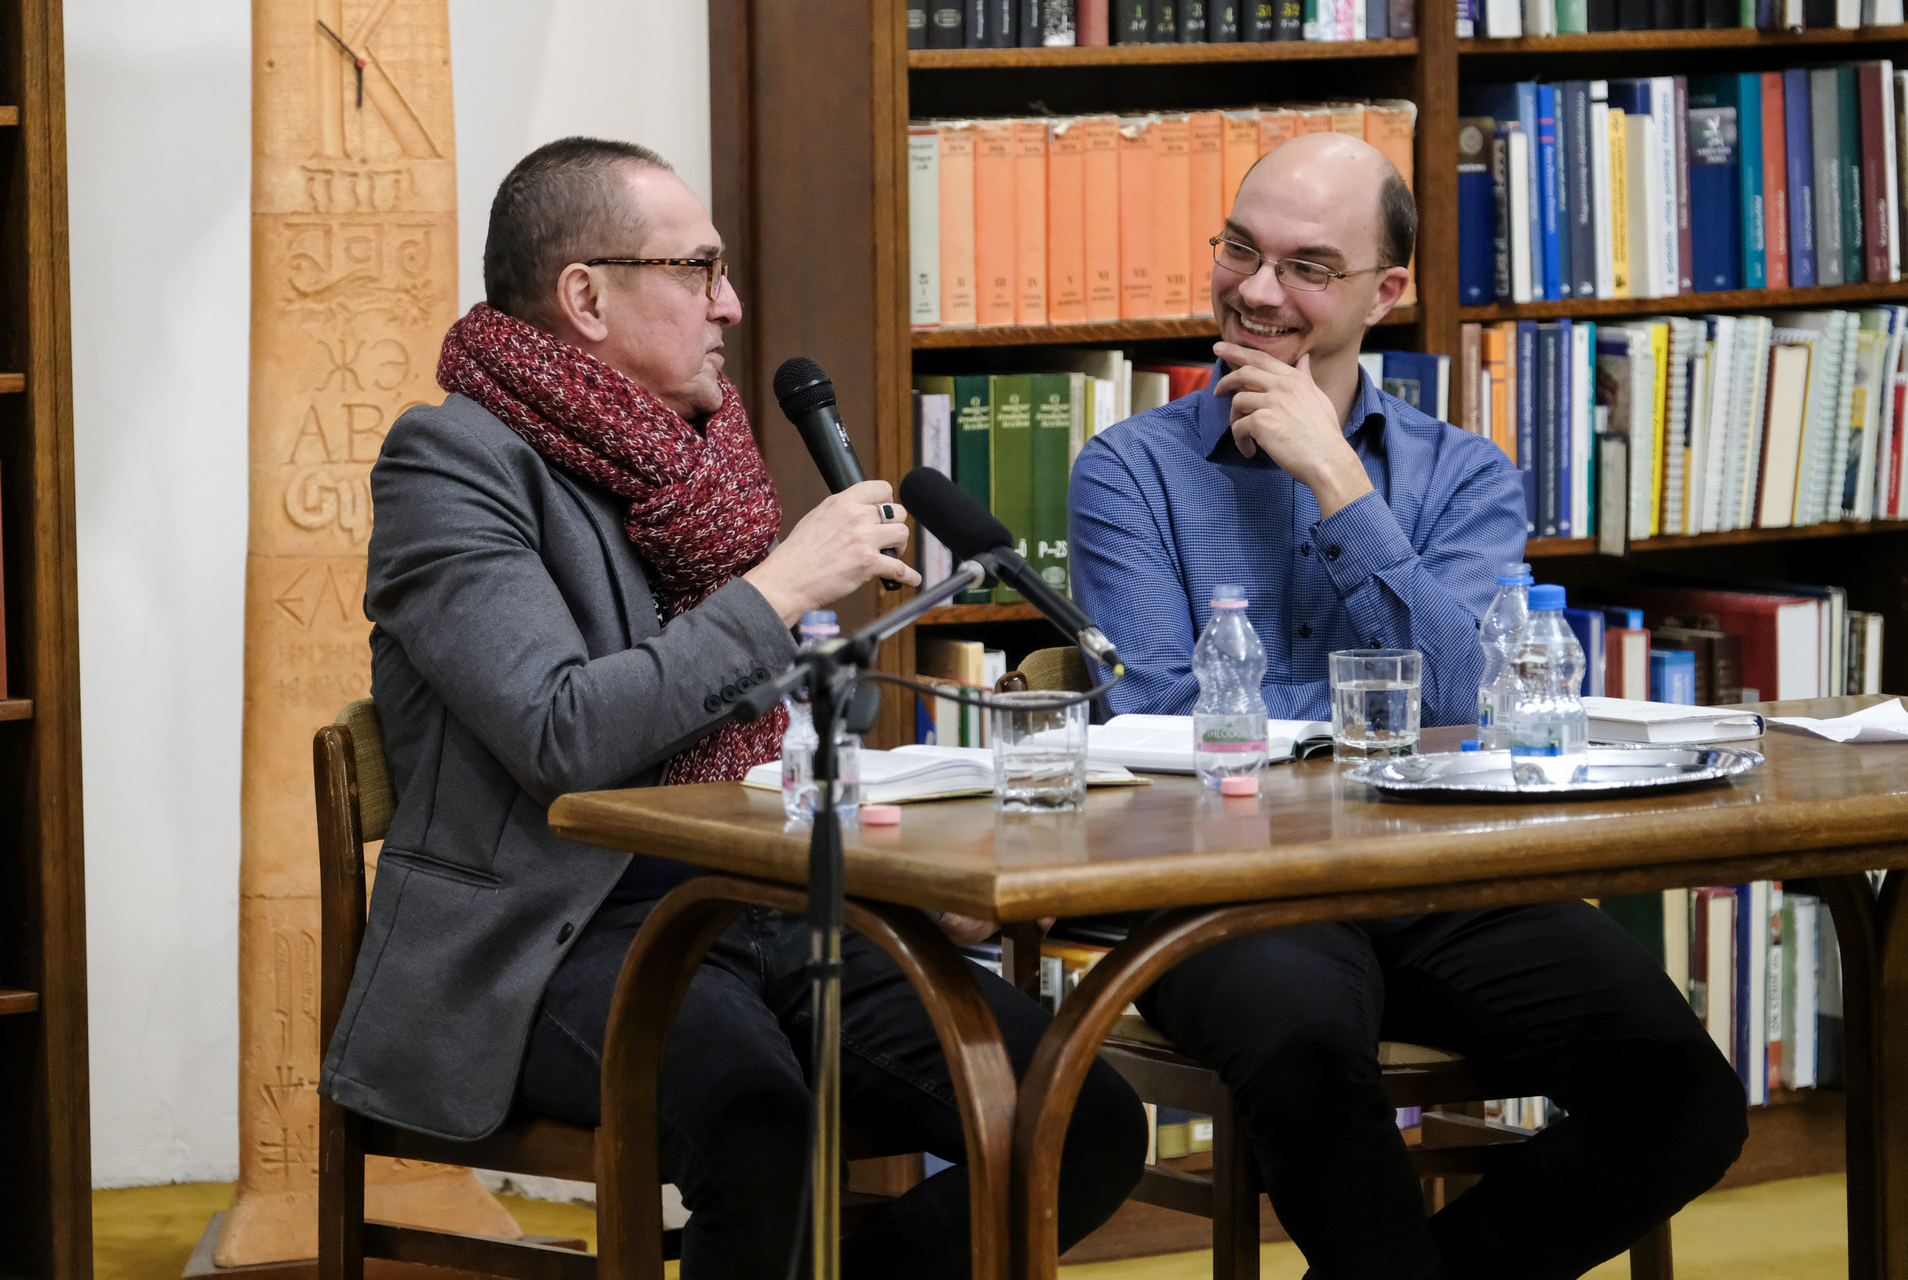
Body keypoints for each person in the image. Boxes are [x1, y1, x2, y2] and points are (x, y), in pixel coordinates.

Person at [319, 136, 1145, 1278]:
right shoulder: (452, 465)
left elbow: (771, 745)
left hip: (763, 897)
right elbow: (561, 733)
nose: (732, 304)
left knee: (1081, 1116)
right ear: (586, 297)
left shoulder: (702, 471)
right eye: (698, 270)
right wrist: (780, 589)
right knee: (762, 1136)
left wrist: (898, 870)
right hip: (560, 934)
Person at [1069, 131, 1747, 1279]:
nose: (1258, 290)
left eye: (1306, 267)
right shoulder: (1126, 470)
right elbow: (1166, 715)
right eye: (1240, 249)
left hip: (1436, 874)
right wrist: (1382, 712)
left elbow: (1470, 701)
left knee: (1683, 1092)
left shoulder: (1464, 473)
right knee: (1306, 1054)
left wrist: (1339, 483)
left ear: (1386, 292)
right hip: (1220, 889)